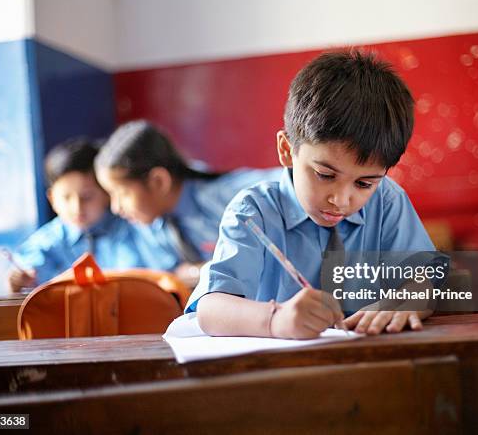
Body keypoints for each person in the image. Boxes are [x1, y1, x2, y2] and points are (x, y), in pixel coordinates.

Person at [187, 50, 441, 338]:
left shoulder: (387, 201)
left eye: (364, 184)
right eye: (325, 175)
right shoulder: (253, 212)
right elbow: (210, 309)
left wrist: (411, 299)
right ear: (286, 150)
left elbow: (429, 281)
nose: (342, 200)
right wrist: (275, 320)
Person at [94, 120, 281, 286]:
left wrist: (200, 271)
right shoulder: (149, 225)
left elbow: (289, 181)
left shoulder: (229, 197)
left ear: (158, 181)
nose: (115, 207)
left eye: (121, 193)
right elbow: (169, 277)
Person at [8, 138, 156, 292]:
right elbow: (27, 273)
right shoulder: (46, 242)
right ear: (52, 199)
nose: (77, 207)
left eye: (87, 197)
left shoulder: (135, 227)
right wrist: (19, 281)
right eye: (66, 198)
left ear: (107, 192)